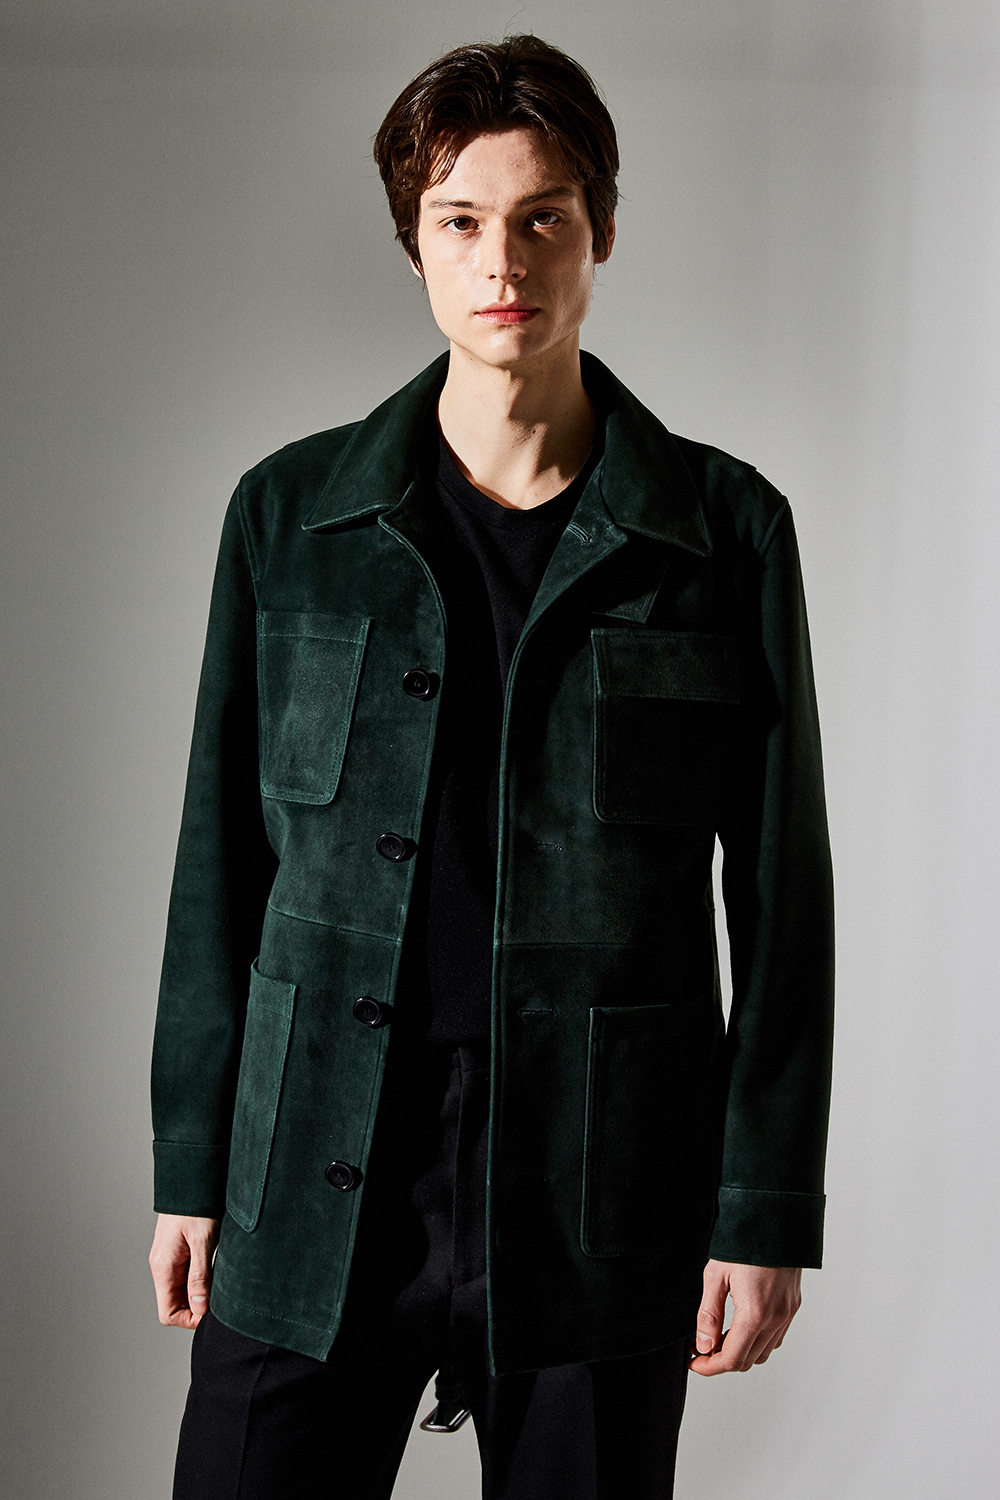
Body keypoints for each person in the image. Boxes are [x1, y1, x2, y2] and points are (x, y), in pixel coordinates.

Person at [148, 33, 833, 1500]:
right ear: (415, 244)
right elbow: (220, 864)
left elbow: (784, 901)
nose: (502, 260)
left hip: (601, 1185)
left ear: (600, 234)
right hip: (316, 1159)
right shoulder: (290, 518)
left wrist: (764, 1205)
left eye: (543, 217)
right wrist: (192, 1163)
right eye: (460, 220)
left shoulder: (723, 534)